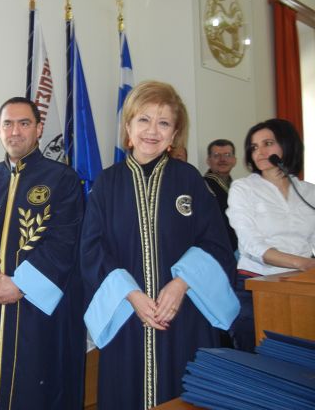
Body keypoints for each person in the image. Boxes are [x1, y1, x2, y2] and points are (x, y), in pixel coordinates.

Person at [80, 80, 240, 409]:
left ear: (174, 133)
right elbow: (91, 250)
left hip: (185, 314)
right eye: (144, 119)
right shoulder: (107, 183)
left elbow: (217, 243)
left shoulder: (190, 179)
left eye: (164, 123)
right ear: (128, 127)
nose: (152, 130)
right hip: (127, 313)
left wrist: (181, 284)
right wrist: (131, 294)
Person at [0, 97, 86, 410]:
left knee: (35, 391)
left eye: (24, 123)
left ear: (39, 129)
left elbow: (65, 241)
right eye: (7, 124)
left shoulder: (63, 179)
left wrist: (20, 284)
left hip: (38, 309)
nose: (15, 131)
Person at [226, 118, 315, 352]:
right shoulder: (243, 188)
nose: (260, 152)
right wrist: (302, 263)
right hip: (257, 281)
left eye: (268, 143)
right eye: (254, 147)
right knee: (257, 355)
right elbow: (250, 244)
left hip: (303, 283)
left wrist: (306, 267)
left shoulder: (309, 191)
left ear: (287, 144)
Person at [204, 139, 238, 253]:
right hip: (215, 248)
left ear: (234, 160)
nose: (222, 159)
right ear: (208, 161)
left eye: (227, 155)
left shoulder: (239, 187)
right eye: (216, 155)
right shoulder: (202, 186)